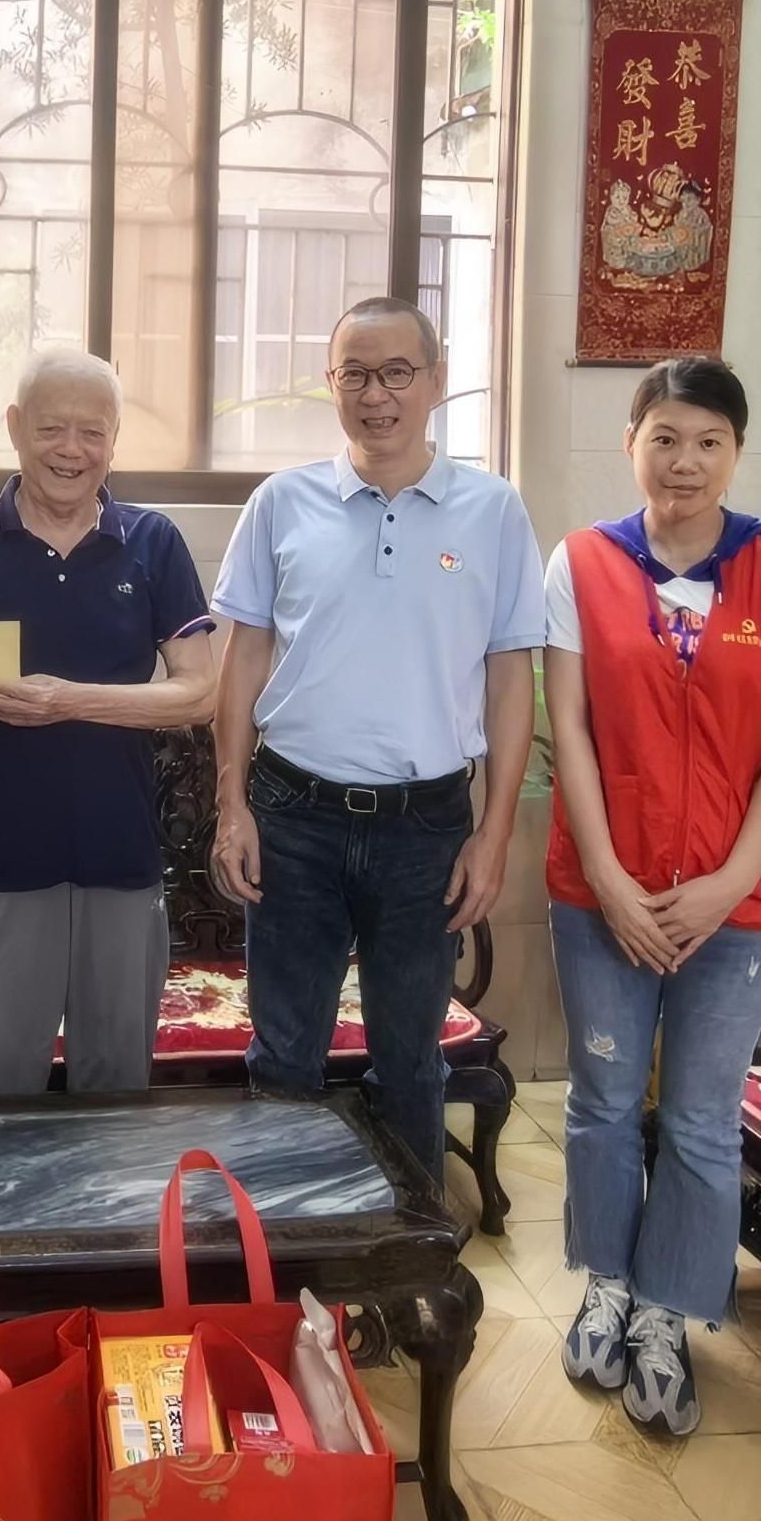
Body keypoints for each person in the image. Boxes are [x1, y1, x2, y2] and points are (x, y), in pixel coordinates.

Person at [542, 356, 761, 1437]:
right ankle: (607, 1284)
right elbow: (570, 729)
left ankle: (668, 1311)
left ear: (736, 452)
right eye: (664, 437)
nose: (685, 461)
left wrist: (725, 886)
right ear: (631, 443)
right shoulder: (581, 561)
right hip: (605, 894)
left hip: (741, 906)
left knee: (701, 1118)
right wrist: (610, 879)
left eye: (708, 441)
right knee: (600, 1098)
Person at [210, 296, 545, 1177]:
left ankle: (408, 1247)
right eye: (355, 374)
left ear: (435, 381)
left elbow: (511, 677)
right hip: (293, 815)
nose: (375, 394)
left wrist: (494, 833)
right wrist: (231, 805)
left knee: (410, 1064)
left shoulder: (493, 510)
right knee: (283, 1057)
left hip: (424, 829)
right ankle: (282, 1243)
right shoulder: (282, 502)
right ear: (331, 383)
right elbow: (242, 663)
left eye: (397, 372)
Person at [0, 347, 217, 1093]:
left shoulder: (154, 542)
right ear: (15, 427)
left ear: (114, 439)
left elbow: (200, 693)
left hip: (121, 860)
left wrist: (70, 700)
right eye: (51, 429)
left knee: (115, 1089)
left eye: (92, 432)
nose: (72, 450)